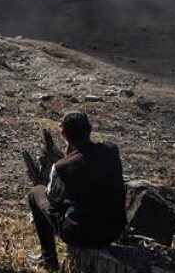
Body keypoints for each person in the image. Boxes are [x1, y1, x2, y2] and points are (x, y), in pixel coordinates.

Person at [26, 111, 126, 271]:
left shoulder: (62, 167)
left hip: (82, 236)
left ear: (64, 134)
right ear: (90, 129)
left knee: (36, 192)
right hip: (115, 229)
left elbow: (53, 199)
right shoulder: (111, 150)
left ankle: (49, 259)